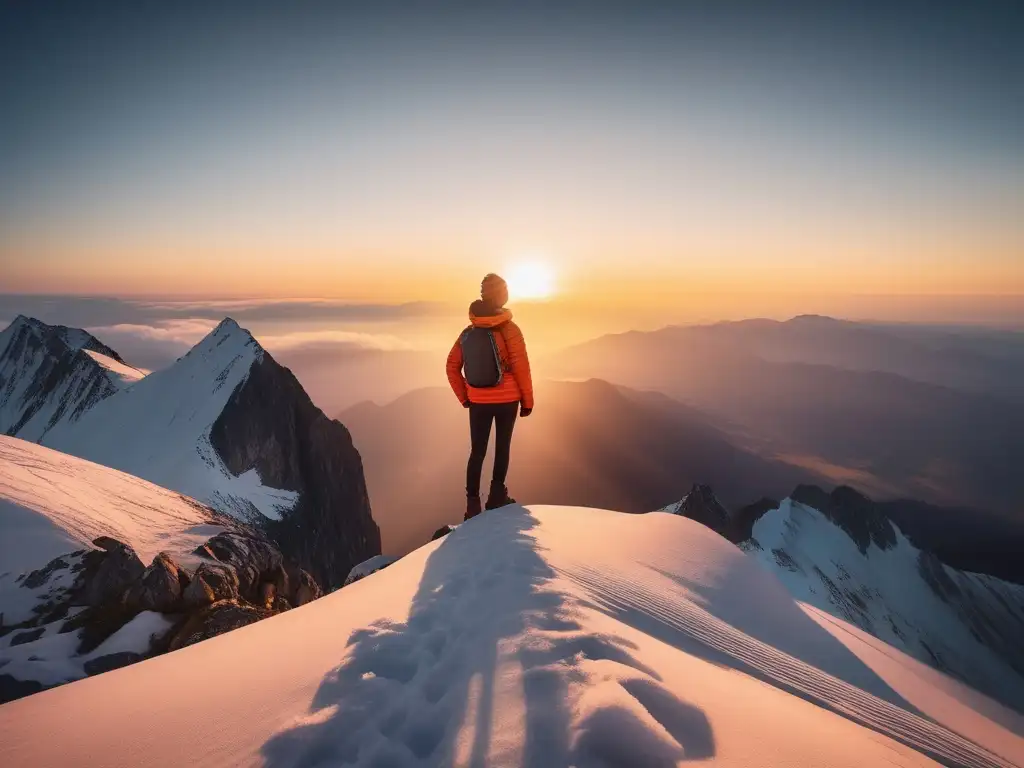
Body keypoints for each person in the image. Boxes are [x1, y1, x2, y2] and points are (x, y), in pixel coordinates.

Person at [446, 273, 534, 520]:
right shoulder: (510, 330)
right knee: (502, 447)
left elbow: (451, 366)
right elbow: (521, 368)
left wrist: (465, 397)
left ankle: (472, 505)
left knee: (477, 451)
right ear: (501, 295)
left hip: (478, 401)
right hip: (508, 400)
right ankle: (496, 497)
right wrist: (527, 402)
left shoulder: (467, 332)